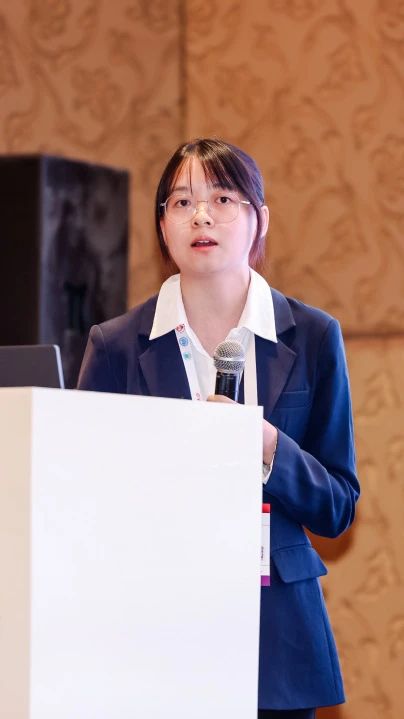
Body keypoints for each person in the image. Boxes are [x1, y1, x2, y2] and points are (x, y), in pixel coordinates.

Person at [77, 138, 359, 718]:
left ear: (260, 221)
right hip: (154, 628)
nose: (201, 216)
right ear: (162, 226)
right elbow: (85, 503)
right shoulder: (115, 346)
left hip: (276, 639)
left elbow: (338, 507)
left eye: (223, 198)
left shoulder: (313, 336)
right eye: (181, 202)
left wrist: (268, 446)